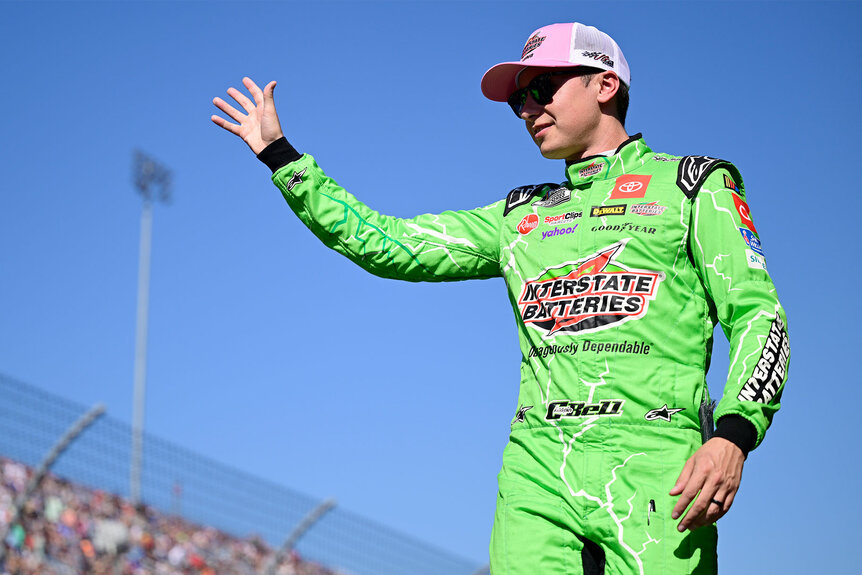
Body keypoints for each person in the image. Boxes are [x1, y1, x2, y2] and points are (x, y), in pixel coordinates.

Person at [211, 22, 789, 575]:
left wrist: (733, 437)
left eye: (542, 88)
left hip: (660, 464)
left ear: (605, 85)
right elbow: (389, 244)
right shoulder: (520, 216)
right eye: (519, 102)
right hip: (536, 467)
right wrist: (282, 158)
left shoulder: (693, 185)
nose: (529, 110)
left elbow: (759, 314)